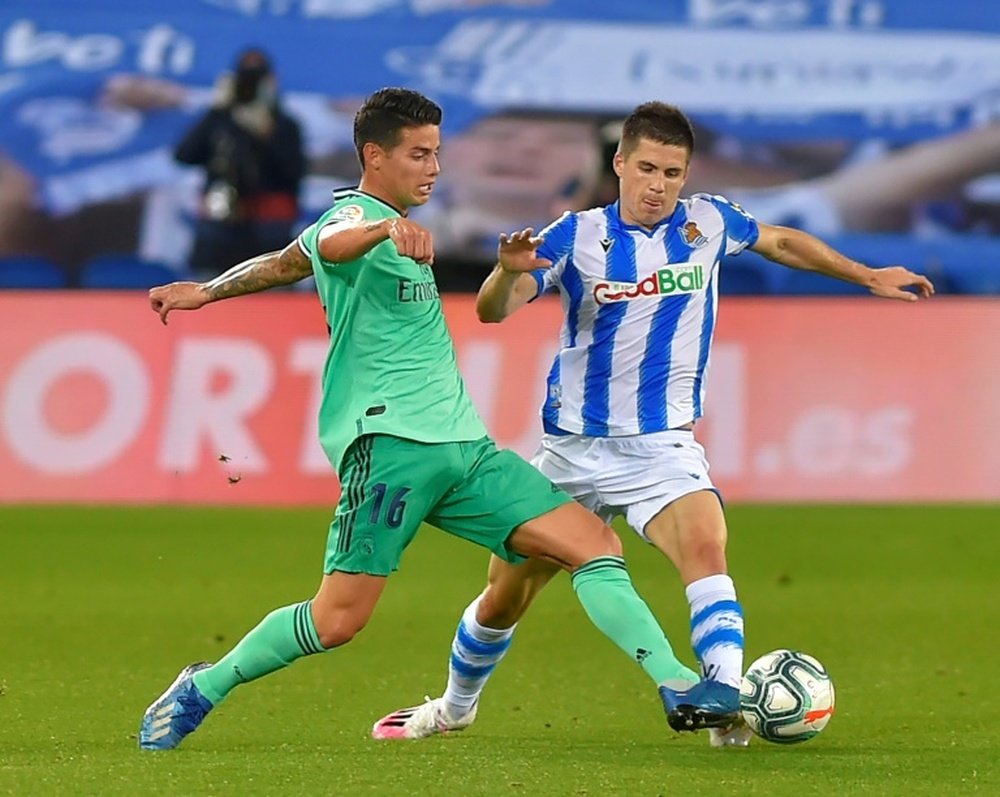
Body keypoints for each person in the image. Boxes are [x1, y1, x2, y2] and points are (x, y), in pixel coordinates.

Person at [137, 88, 728, 751]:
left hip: (464, 449)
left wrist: (209, 290)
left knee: (593, 543)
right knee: (336, 621)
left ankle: (678, 683)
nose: (434, 168)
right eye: (419, 154)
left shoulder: (385, 220)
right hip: (388, 448)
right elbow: (330, 246)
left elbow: (284, 262)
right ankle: (205, 684)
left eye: (438, 153)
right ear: (374, 156)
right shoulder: (357, 219)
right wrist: (383, 228)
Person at [370, 101, 935, 747]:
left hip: (660, 447)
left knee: (705, 547)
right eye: (646, 168)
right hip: (571, 452)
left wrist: (864, 274)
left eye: (672, 171)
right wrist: (506, 272)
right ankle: (453, 706)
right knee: (504, 596)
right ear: (619, 164)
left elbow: (779, 239)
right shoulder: (575, 234)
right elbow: (498, 312)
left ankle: (721, 700)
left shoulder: (709, 222)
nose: (658, 184)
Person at [173, 48, 306, 279]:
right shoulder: (220, 120)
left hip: (268, 226)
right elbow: (184, 155)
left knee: (272, 296)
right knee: (208, 286)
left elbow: (294, 172)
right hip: (219, 224)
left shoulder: (284, 125)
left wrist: (266, 133)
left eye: (258, 80)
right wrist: (216, 110)